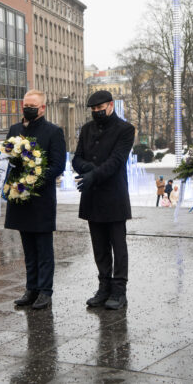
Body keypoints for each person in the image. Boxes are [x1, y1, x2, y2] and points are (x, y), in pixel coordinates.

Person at [72, 90, 135, 310]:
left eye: (100, 109)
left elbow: (117, 161)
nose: (96, 113)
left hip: (114, 196)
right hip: (92, 196)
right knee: (99, 246)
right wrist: (88, 170)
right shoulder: (87, 129)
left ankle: (119, 290)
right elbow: (76, 158)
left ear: (110, 106)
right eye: (93, 110)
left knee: (118, 245)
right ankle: (103, 287)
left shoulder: (125, 129)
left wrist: (93, 175)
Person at [6, 90, 66, 310]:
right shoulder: (14, 130)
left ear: (43, 108)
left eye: (33, 105)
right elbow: (7, 157)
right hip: (19, 198)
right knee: (28, 248)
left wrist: (33, 180)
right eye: (25, 104)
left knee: (43, 248)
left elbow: (58, 165)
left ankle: (45, 291)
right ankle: (31, 289)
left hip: (40, 199)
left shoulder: (54, 132)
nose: (28, 108)